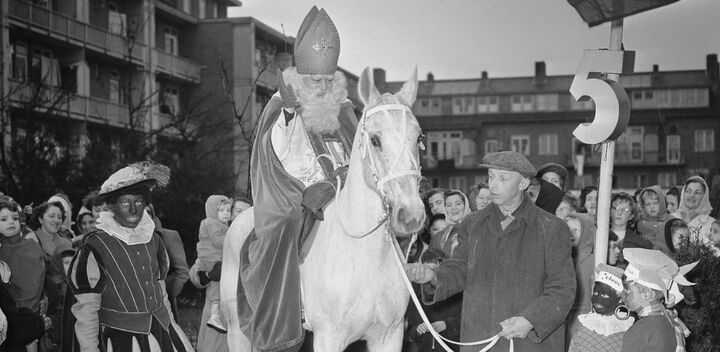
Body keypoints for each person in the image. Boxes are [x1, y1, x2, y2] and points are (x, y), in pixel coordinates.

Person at [238, 7, 358, 352]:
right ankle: (280, 317)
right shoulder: (282, 105)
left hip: (342, 189)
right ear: (300, 78)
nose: (322, 88)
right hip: (297, 191)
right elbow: (277, 154)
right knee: (283, 222)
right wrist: (289, 114)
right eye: (314, 81)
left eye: (327, 81)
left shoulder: (345, 107)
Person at [405, 151, 576, 352]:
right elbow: (460, 267)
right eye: (491, 176)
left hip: (529, 343)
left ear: (523, 184)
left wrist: (531, 320)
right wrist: (434, 276)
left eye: (503, 178)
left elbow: (563, 289)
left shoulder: (552, 227)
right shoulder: (473, 223)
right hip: (481, 339)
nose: (493, 184)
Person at [65, 161, 193, 352]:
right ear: (113, 206)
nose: (133, 209)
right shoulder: (95, 245)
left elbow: (161, 292)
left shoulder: (153, 240)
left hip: (163, 333)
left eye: (139, 202)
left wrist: (173, 330)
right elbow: (86, 308)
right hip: (120, 340)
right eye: (125, 202)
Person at [620, 248, 696, 352]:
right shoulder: (673, 324)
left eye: (626, 290)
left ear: (646, 293)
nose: (621, 294)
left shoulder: (639, 331)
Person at [568, 264, 635, 352]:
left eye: (604, 295)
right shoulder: (584, 327)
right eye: (595, 293)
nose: (597, 299)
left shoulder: (627, 331)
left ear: (620, 298)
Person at [405, 249, 461, 352]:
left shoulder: (458, 291)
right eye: (427, 270)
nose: (431, 274)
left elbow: (469, 323)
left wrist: (447, 325)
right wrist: (418, 329)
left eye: (435, 269)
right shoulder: (417, 293)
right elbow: (410, 329)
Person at [196, 195, 231, 332]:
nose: (226, 214)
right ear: (212, 211)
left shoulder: (221, 224)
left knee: (216, 284)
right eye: (221, 210)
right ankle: (215, 315)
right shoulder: (210, 222)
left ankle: (215, 314)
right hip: (211, 258)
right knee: (216, 283)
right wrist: (233, 236)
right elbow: (217, 241)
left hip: (215, 257)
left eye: (228, 210)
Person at [147, 205, 189, 319]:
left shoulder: (169, 236)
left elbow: (182, 271)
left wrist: (166, 290)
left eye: (147, 212)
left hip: (163, 302)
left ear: (153, 216)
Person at [564, 213, 595, 344]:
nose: (571, 234)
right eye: (567, 229)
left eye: (576, 230)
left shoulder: (593, 262)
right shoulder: (561, 259)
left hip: (583, 324)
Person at [609, 193, 652, 268]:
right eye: (615, 208)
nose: (619, 213)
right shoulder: (598, 238)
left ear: (631, 216)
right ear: (609, 211)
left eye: (624, 210)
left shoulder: (642, 244)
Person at [670, 176, 717, 244]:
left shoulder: (712, 224)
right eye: (688, 191)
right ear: (683, 193)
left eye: (697, 192)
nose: (691, 195)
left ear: (704, 197)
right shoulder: (670, 219)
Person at [429, 190, 470, 257]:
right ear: (445, 209)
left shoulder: (477, 230)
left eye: (458, 203)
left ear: (465, 205)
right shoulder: (437, 238)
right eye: (449, 205)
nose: (454, 208)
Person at [636, 186, 671, 254]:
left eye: (655, 203)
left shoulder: (671, 221)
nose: (652, 207)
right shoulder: (639, 223)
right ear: (643, 207)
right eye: (648, 204)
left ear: (662, 203)